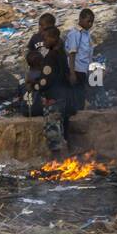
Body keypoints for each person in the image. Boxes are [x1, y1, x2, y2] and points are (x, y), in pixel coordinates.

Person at [35, 26, 70, 154]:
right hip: (62, 96)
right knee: (58, 127)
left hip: (53, 98)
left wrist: (38, 88)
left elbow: (45, 79)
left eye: (46, 39)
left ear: (54, 38)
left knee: (52, 131)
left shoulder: (50, 57)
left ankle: (57, 161)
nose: (44, 42)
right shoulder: (61, 52)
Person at [65, 8, 96, 116]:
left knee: (81, 95)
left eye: (92, 21)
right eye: (88, 21)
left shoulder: (86, 34)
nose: (90, 24)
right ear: (80, 19)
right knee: (77, 98)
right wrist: (72, 73)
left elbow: (88, 54)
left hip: (83, 70)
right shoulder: (75, 34)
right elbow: (72, 54)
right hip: (76, 69)